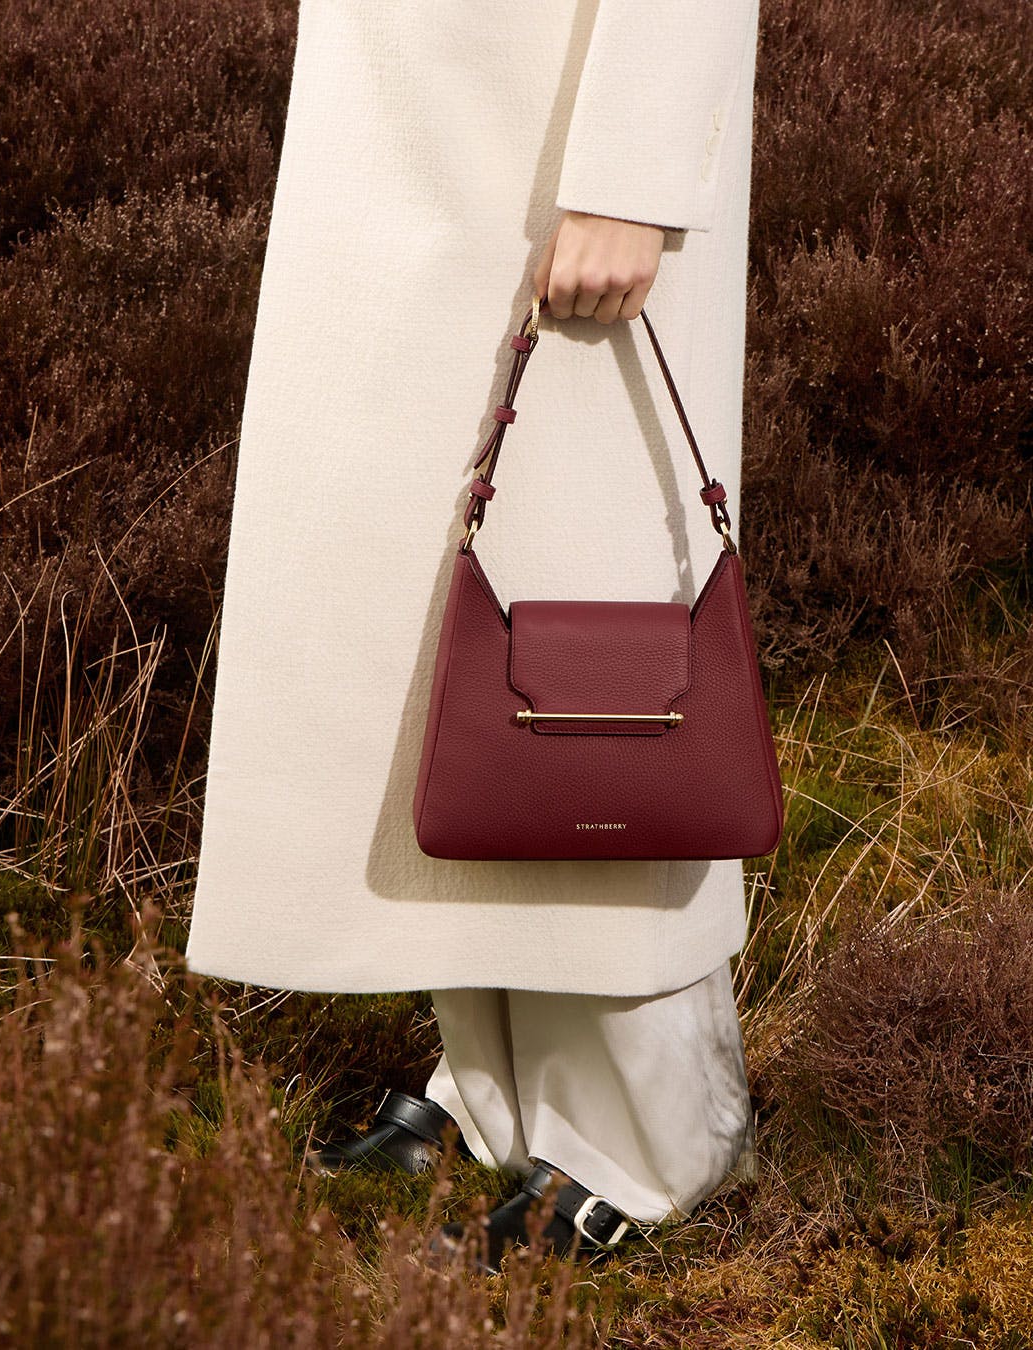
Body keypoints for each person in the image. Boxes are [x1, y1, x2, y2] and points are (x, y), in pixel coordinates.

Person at [184, 0, 763, 1273]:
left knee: (585, 641)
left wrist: (635, 166)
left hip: (554, 137)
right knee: (428, 642)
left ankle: (661, 1131)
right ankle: (502, 1089)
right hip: (411, 121)